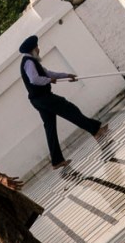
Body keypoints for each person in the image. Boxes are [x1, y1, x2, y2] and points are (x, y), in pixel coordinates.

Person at [19, 35, 110, 170]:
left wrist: (66, 76)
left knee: (50, 128)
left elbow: (48, 73)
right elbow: (34, 79)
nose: (39, 49)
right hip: (43, 98)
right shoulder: (28, 62)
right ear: (33, 49)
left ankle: (57, 161)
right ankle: (95, 130)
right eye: (37, 47)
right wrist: (49, 81)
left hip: (39, 99)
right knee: (70, 109)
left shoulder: (32, 61)